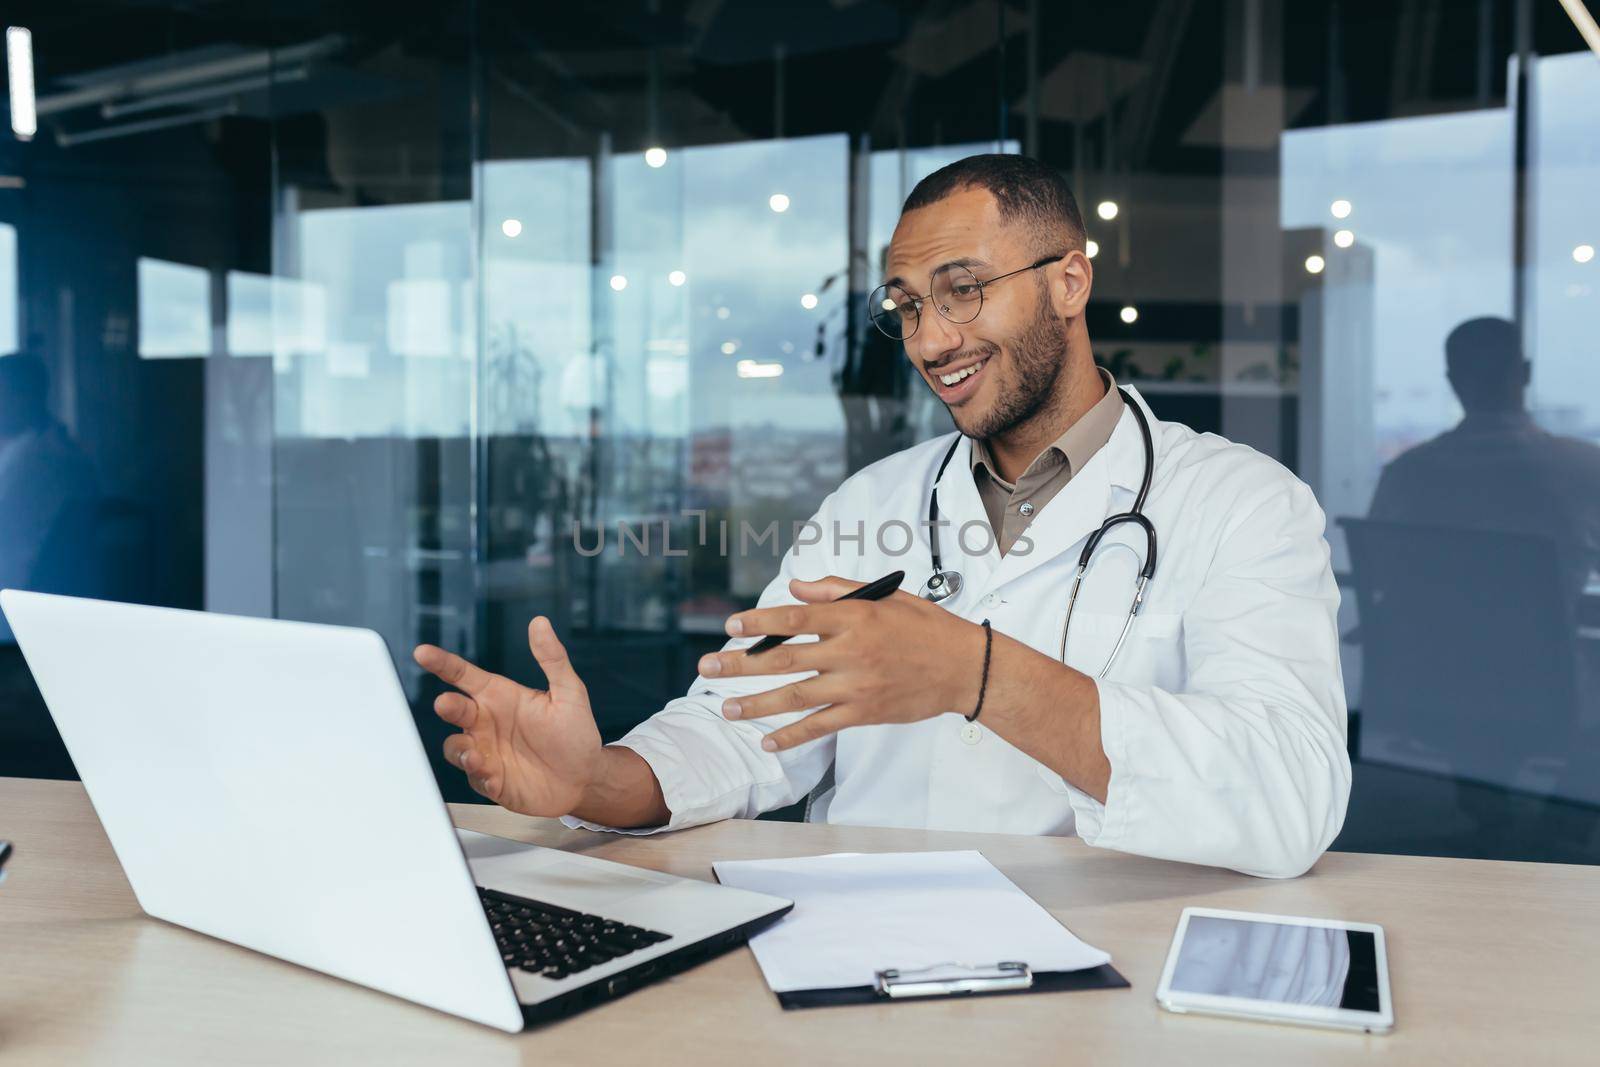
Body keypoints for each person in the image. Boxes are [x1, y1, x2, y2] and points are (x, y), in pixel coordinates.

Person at [416, 155, 1351, 879]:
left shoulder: (1243, 505)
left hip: (1112, 978)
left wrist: (977, 675)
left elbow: (1292, 792)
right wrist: (596, 782)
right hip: (862, 967)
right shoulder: (871, 505)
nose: (930, 339)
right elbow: (749, 723)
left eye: (963, 288)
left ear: (1069, 283)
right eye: (905, 306)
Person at [1369, 316, 1600, 592]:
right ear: (1525, 373)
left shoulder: (1404, 473)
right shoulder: (1587, 468)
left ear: (1453, 382)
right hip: (1536, 635)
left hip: (1429, 633)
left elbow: (1379, 572)